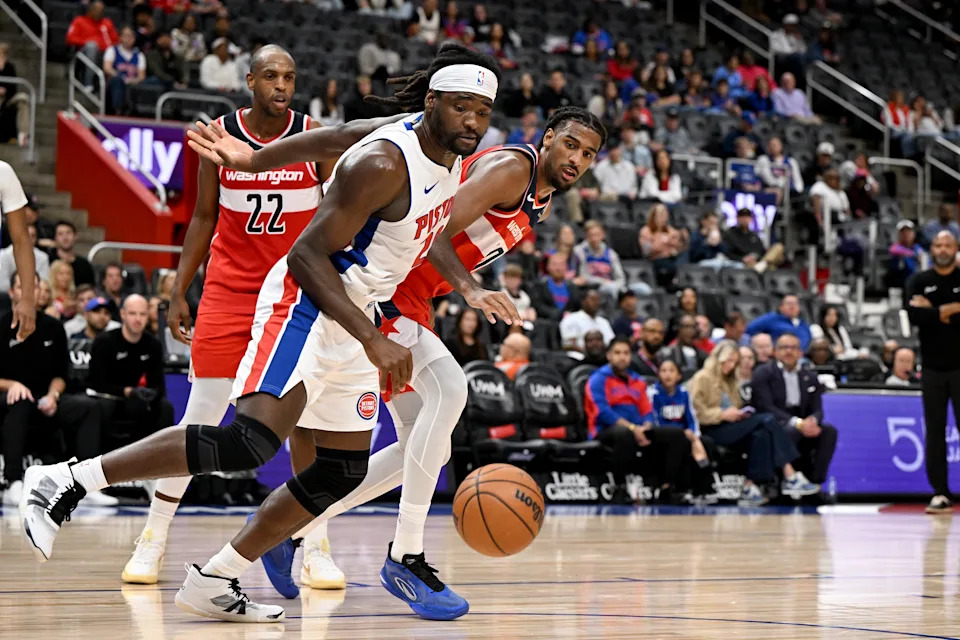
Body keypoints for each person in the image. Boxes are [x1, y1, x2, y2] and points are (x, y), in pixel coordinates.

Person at [19, 44, 516, 625]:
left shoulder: (443, 147)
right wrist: (374, 339)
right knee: (246, 443)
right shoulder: (383, 164)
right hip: (307, 305)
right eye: (461, 108)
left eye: (482, 112)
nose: (473, 123)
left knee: (339, 472)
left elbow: (334, 135)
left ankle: (216, 577)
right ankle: (65, 479)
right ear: (433, 103)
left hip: (360, 311)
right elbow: (306, 256)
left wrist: (257, 160)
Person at [189, 102, 605, 611]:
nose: (576, 158)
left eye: (587, 154)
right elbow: (432, 230)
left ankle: (294, 531)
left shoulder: (537, 197)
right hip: (385, 291)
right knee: (451, 392)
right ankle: (405, 557)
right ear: (546, 138)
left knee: (425, 451)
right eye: (569, 144)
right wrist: (471, 289)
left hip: (411, 301)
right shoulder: (513, 169)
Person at [119, 45, 355, 590]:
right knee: (200, 416)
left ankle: (314, 544)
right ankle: (153, 537)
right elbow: (203, 216)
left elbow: (341, 213)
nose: (281, 84)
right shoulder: (217, 137)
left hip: (294, 293)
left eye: (289, 76)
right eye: (270, 75)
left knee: (305, 420)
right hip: (229, 291)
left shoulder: (313, 136)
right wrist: (179, 289)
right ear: (249, 81)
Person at [0, 271, 105, 506]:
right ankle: (13, 482)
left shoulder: (53, 328)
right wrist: (12, 385)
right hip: (8, 396)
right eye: (22, 287)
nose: (29, 292)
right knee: (20, 401)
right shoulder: (0, 325)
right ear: (11, 292)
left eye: (34, 287)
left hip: (45, 397)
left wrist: (53, 395)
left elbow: (61, 374)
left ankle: (87, 485)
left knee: (88, 407)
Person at [689, 340, 819, 506]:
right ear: (718, 359)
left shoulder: (730, 381)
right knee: (767, 419)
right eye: (728, 361)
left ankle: (749, 487)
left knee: (762, 434)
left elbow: (735, 406)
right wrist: (722, 414)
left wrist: (739, 414)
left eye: (734, 362)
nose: (730, 366)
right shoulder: (702, 378)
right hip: (710, 428)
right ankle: (790, 475)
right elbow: (694, 411)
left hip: (730, 426)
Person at [585, 338, 690, 503]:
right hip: (606, 430)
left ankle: (666, 488)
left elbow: (647, 410)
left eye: (626, 353)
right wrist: (634, 428)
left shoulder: (638, 381)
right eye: (617, 353)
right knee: (624, 434)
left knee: (676, 434)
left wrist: (646, 425)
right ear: (609, 356)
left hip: (637, 429)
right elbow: (602, 412)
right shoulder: (598, 379)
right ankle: (620, 488)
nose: (622, 357)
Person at [905, 231, 960, 514]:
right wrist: (949, 310)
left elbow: (927, 315)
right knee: (935, 431)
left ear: (956, 248)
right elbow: (914, 316)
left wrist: (933, 311)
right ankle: (940, 492)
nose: (942, 249)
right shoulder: (919, 281)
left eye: (947, 244)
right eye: (937, 244)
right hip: (933, 368)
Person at [751, 333, 838, 487]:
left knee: (829, 431)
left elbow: (818, 408)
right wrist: (798, 423)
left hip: (802, 419)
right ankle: (785, 481)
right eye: (784, 347)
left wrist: (813, 420)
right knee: (791, 431)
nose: (789, 351)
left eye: (793, 348)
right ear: (775, 352)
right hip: (776, 421)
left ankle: (815, 482)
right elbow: (765, 406)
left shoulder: (810, 376)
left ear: (801, 353)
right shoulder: (763, 373)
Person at [88, 294, 174, 437]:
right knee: (102, 407)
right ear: (123, 314)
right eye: (133, 314)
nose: (138, 319)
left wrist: (151, 393)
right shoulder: (104, 341)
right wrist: (127, 391)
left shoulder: (153, 344)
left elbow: (159, 384)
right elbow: (97, 382)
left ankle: (161, 454)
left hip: (140, 397)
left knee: (165, 408)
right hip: (111, 397)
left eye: (142, 314)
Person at [650, 358, 710, 477]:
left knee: (707, 442)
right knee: (681, 442)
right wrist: (682, 433)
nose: (667, 374)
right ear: (658, 375)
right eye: (663, 371)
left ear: (678, 375)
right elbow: (655, 420)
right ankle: (677, 486)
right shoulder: (653, 394)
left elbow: (691, 418)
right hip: (664, 433)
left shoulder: (684, 393)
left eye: (672, 371)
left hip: (685, 434)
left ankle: (704, 486)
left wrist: (694, 435)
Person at [573, 221, 631, 299]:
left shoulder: (611, 254)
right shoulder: (580, 251)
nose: (594, 239)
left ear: (603, 235)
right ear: (586, 236)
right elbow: (584, 277)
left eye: (597, 235)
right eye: (591, 235)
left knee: (641, 288)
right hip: (592, 288)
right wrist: (603, 282)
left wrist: (616, 285)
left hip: (612, 286)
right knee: (613, 289)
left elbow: (621, 278)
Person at [66, 1, 119, 86]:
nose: (98, 12)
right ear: (90, 9)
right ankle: (88, 84)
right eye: (96, 9)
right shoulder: (79, 20)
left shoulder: (107, 23)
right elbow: (70, 38)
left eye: (101, 10)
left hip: (104, 54)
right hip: (83, 54)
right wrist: (88, 41)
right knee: (92, 46)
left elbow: (115, 41)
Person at [723, 208, 785, 272]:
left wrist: (761, 257)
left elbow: (762, 251)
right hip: (745, 264)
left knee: (778, 247)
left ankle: (763, 264)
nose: (745, 219)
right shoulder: (731, 233)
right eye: (742, 216)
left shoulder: (753, 235)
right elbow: (727, 252)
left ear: (751, 219)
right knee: (771, 268)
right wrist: (741, 259)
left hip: (759, 261)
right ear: (737, 218)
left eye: (747, 216)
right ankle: (762, 266)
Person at [103, 26, 145, 115]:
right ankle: (117, 112)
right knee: (117, 81)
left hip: (132, 84)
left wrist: (133, 80)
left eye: (131, 36)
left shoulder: (139, 55)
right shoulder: (112, 50)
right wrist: (121, 77)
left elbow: (141, 76)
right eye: (126, 36)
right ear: (120, 37)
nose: (128, 39)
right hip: (114, 83)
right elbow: (107, 68)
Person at [747, 295, 812, 351]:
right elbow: (749, 329)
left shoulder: (803, 324)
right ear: (780, 307)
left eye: (795, 304)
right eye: (789, 304)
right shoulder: (771, 318)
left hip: (802, 357)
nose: (792, 307)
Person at [531, 251, 583, 321]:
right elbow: (539, 307)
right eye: (554, 264)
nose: (558, 268)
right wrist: (560, 314)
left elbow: (578, 308)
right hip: (547, 324)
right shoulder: (539, 286)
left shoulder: (573, 288)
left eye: (561, 264)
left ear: (566, 267)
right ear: (548, 267)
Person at [46, 221, 94, 287]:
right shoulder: (47, 260)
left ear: (76, 236)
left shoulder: (84, 265)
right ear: (55, 238)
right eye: (60, 234)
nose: (65, 237)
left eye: (68, 233)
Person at [659, 313, 707, 378]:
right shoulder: (667, 353)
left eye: (692, 327)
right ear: (678, 329)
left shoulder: (703, 355)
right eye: (686, 327)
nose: (689, 331)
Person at [887, 220, 927, 290]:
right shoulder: (896, 247)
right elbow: (893, 250)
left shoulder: (917, 247)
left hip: (917, 282)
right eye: (903, 232)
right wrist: (913, 255)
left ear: (913, 234)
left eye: (909, 232)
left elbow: (924, 258)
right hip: (900, 284)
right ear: (899, 234)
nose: (906, 234)